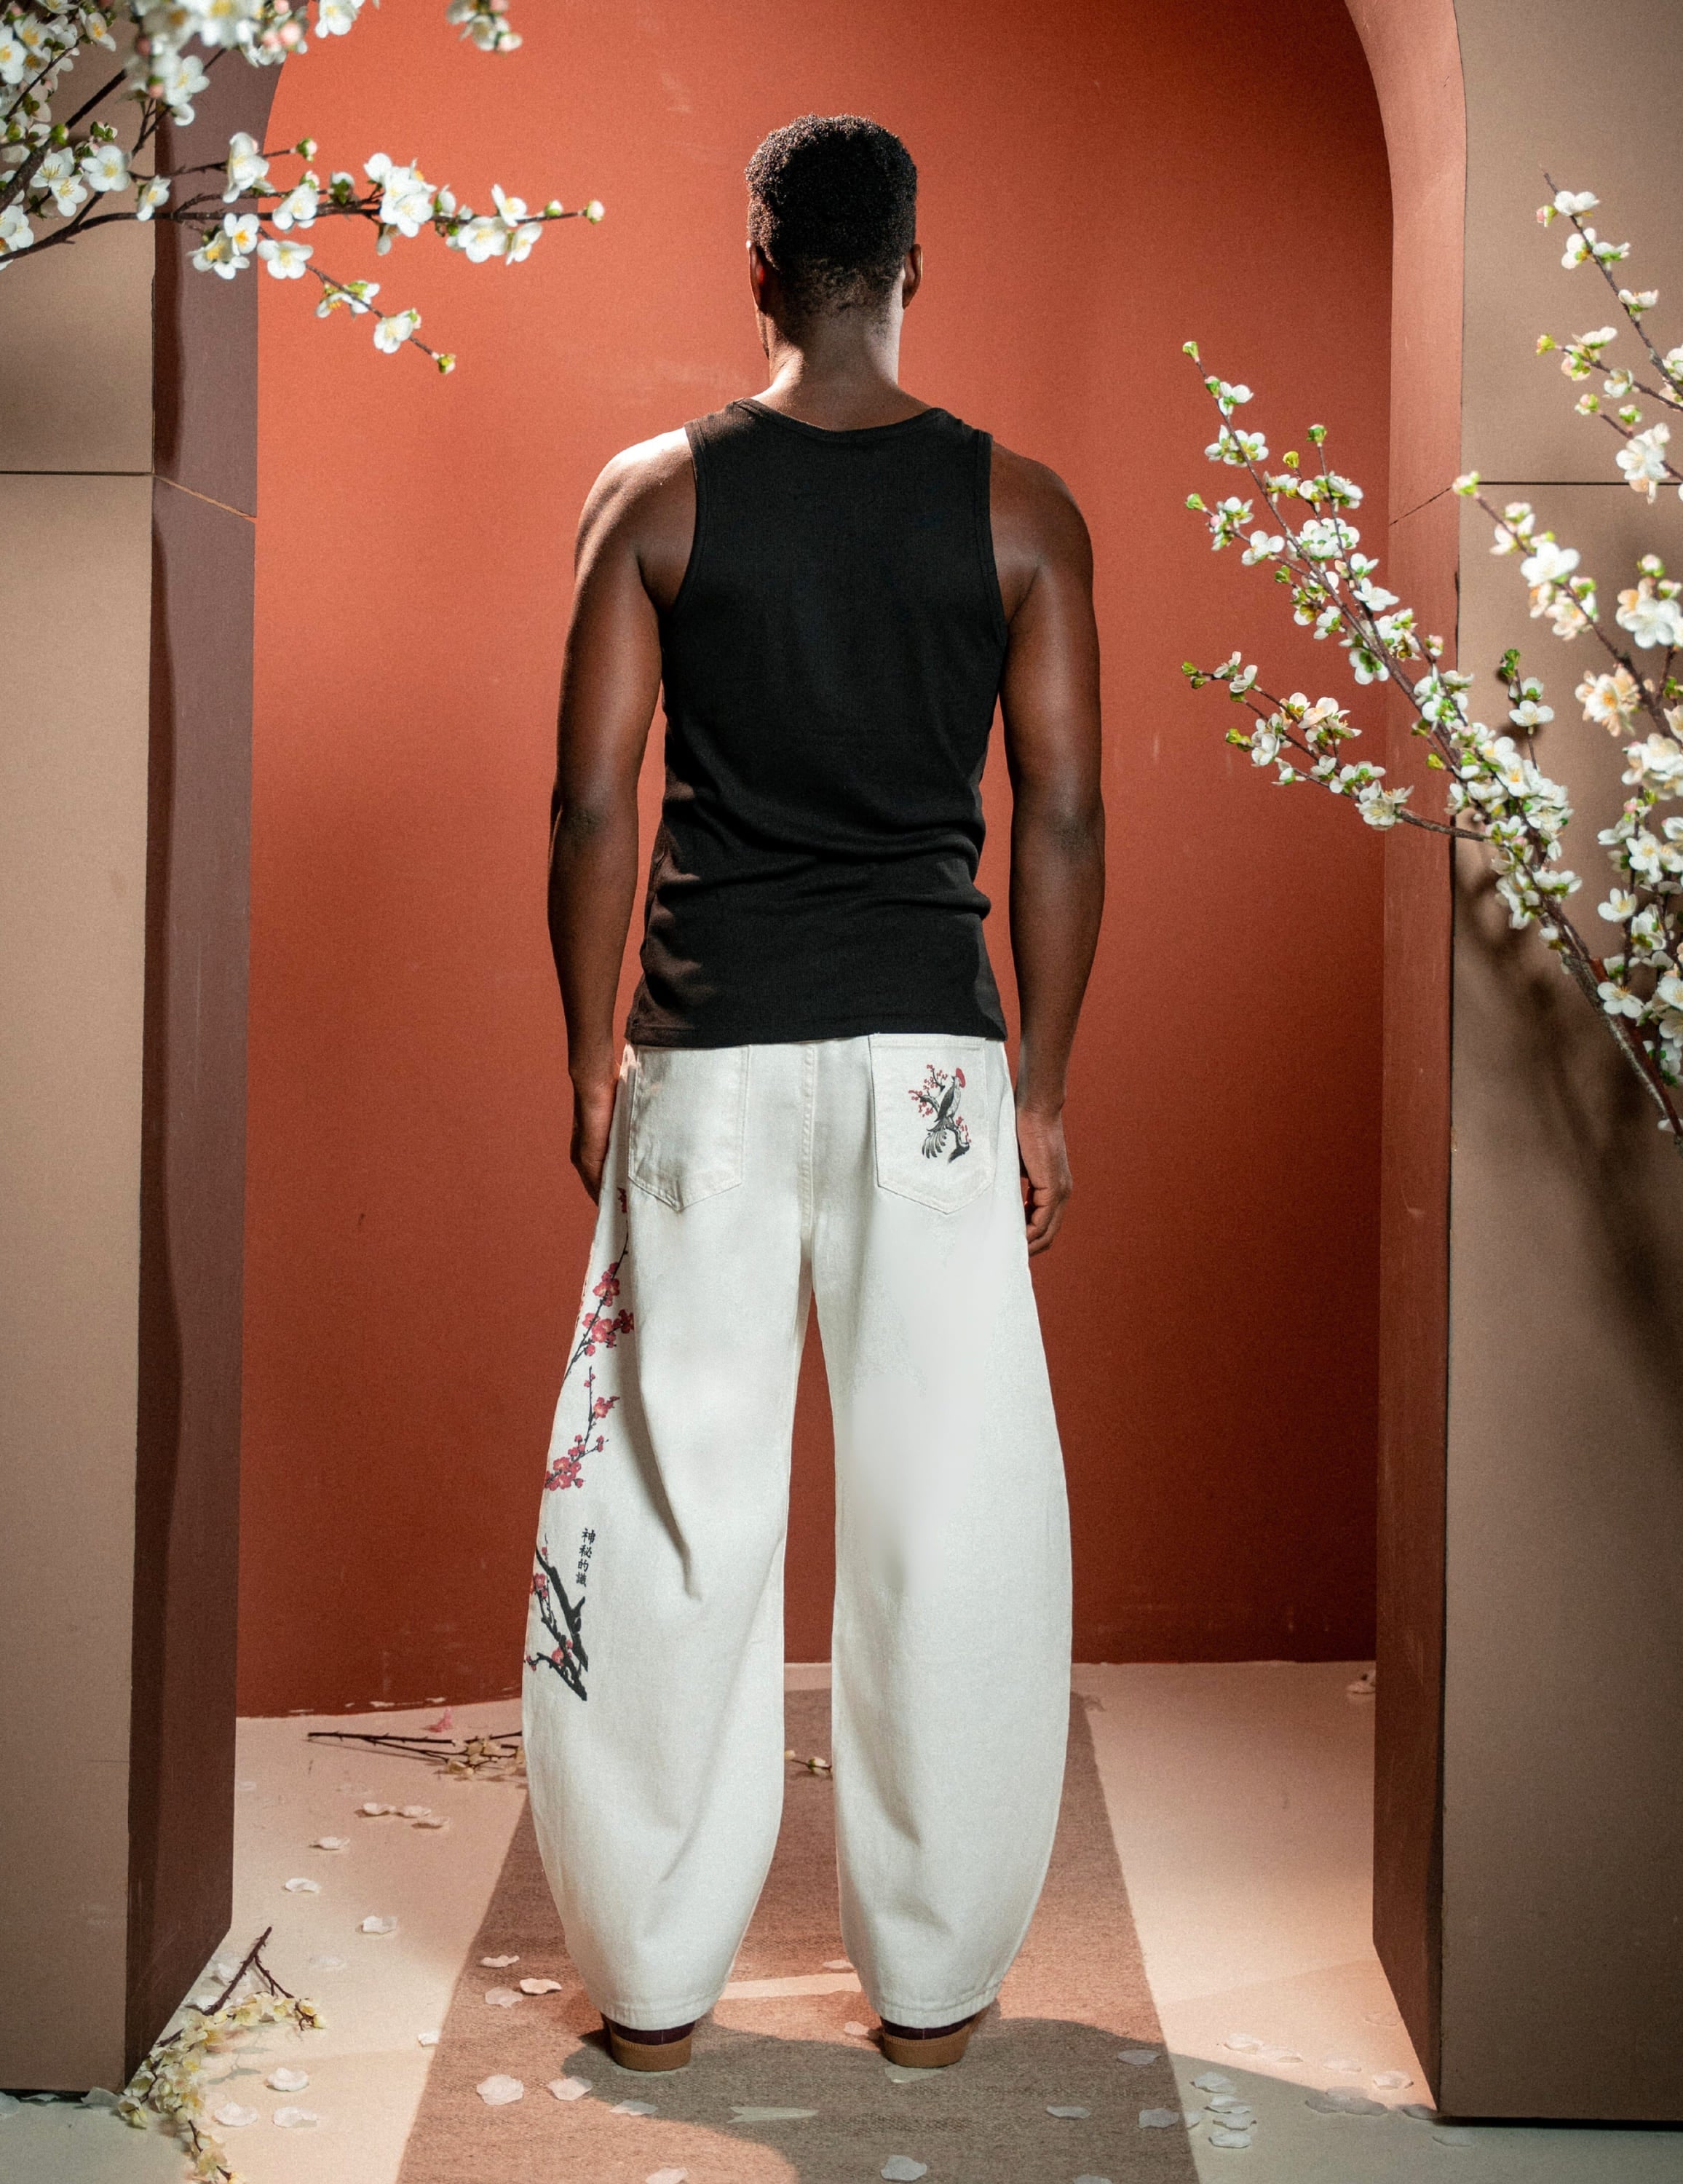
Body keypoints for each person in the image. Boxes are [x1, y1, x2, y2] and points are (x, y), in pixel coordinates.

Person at [523, 112, 1104, 2076]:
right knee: (951, 1506)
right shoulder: (1022, 512)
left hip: (708, 1052)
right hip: (931, 1060)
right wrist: (1041, 1093)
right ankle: (930, 1995)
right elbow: (1065, 816)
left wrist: (586, 1055)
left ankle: (651, 1988)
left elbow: (592, 804)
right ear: (913, 268)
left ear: (759, 267)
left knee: (675, 1503)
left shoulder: (654, 499)